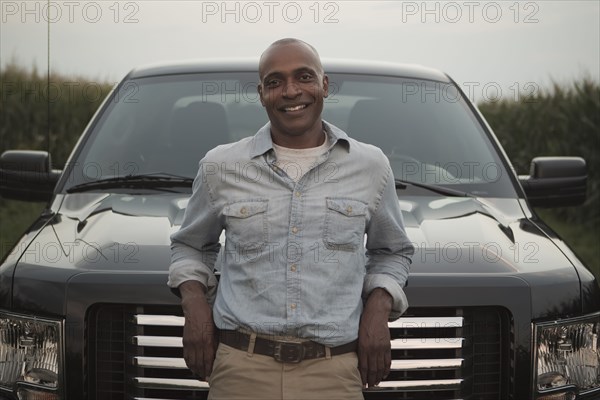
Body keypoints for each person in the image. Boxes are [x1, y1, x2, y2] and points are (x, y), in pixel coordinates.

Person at [168, 38, 414, 399]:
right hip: (240, 369)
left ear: (324, 85)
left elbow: (392, 251)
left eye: (304, 77)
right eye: (275, 82)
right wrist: (194, 304)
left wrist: (378, 306)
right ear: (262, 93)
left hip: (335, 370)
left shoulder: (371, 166)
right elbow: (189, 246)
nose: (290, 91)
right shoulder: (220, 167)